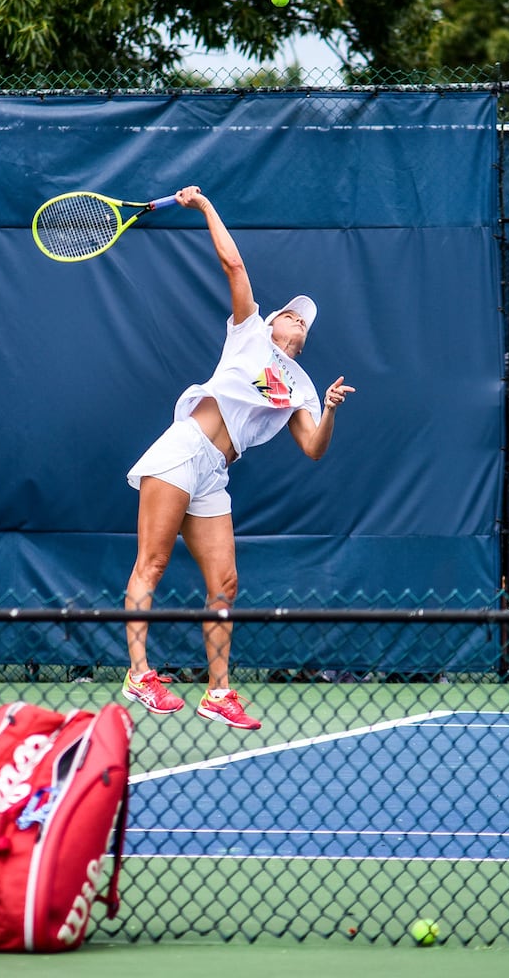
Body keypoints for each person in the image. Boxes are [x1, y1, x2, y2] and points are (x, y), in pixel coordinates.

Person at [120, 185, 354, 731]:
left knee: (225, 584)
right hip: (183, 449)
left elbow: (313, 448)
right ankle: (138, 672)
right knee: (151, 564)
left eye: (304, 321)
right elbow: (233, 262)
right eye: (290, 315)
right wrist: (203, 207)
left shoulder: (300, 386)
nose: (297, 321)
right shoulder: (248, 334)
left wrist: (331, 408)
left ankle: (218, 692)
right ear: (270, 321)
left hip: (215, 475)